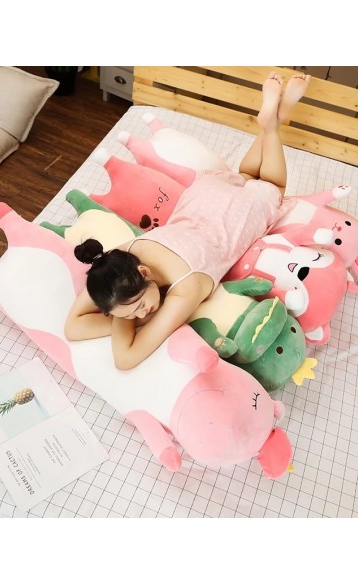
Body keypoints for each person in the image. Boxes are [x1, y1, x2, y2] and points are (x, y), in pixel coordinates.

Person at [65, 71, 311, 370]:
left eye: (139, 306)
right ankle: (275, 118)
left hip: (238, 214)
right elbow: (72, 329)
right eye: (130, 314)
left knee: (273, 185)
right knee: (243, 175)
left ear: (144, 272)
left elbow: (125, 359)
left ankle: (272, 126)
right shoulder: (118, 258)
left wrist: (125, 319)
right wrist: (125, 312)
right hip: (206, 196)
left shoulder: (185, 290)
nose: (141, 314)